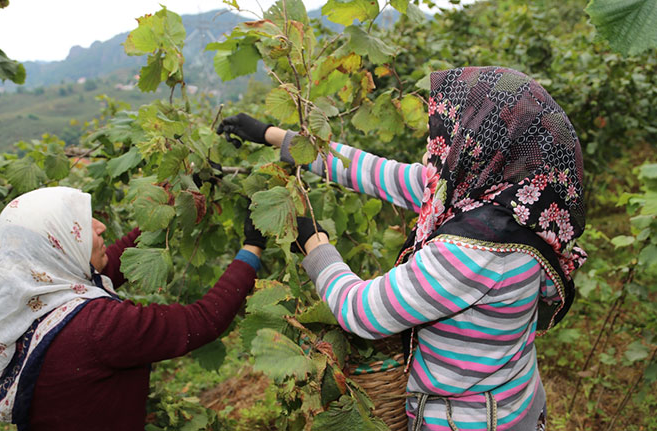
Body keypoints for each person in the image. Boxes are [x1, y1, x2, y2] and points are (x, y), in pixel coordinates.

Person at [217, 66, 587, 431]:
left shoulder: (477, 252)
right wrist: (273, 135)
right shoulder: (522, 205)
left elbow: (363, 312)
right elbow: (376, 172)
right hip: (515, 403)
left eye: (461, 126)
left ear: (482, 141)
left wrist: (315, 244)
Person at [0, 186, 266, 431]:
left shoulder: (33, 299)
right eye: (79, 224)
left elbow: (110, 264)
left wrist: (167, 207)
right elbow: (201, 321)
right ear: (59, 245)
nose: (99, 226)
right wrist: (252, 248)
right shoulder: (98, 327)